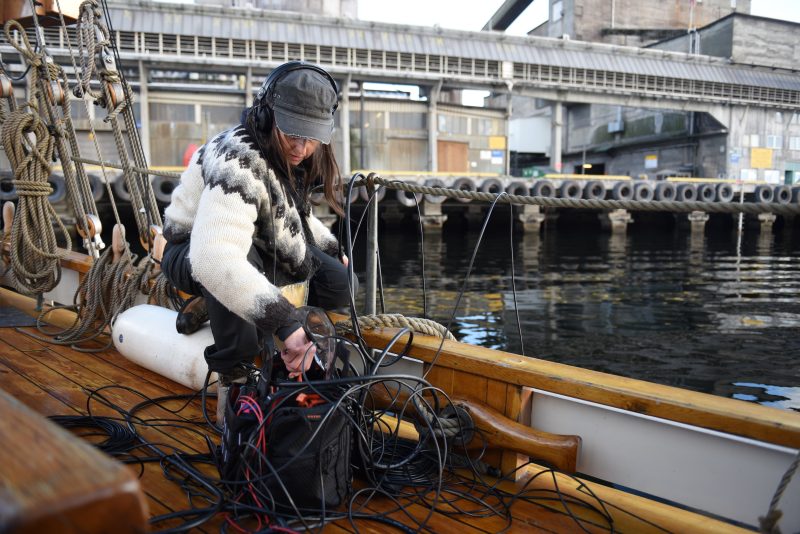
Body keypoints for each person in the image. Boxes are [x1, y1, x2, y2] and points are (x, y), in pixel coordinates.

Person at [159, 61, 354, 418]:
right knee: (238, 260)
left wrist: (331, 250)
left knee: (340, 283)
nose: (301, 146)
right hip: (190, 251)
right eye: (292, 133)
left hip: (258, 243)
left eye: (311, 137)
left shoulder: (289, 154)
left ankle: (222, 301)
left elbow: (294, 215)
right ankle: (235, 377)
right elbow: (214, 257)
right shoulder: (239, 159)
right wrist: (286, 326)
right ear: (266, 116)